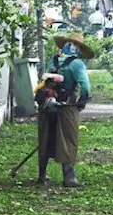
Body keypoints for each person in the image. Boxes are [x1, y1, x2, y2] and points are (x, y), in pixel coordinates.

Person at [36, 32, 93, 187]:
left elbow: (45, 82)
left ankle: (42, 176)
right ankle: (69, 178)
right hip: (67, 107)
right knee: (68, 138)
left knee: (46, 137)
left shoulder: (53, 61)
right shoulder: (77, 64)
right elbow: (85, 86)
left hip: (47, 106)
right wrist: (82, 102)